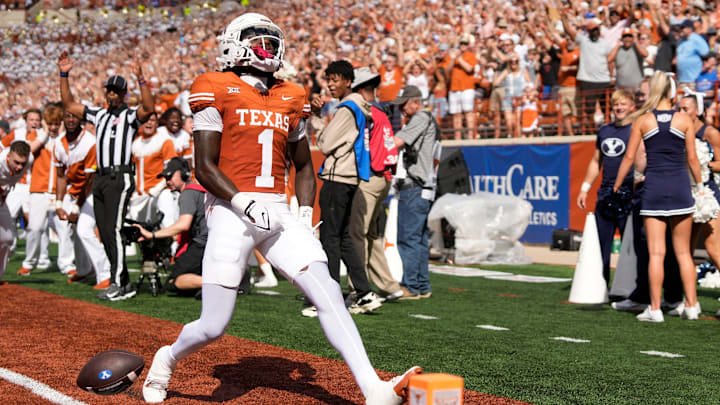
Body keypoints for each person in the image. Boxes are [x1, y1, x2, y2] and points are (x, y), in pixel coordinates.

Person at [142, 13, 420, 405]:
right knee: (213, 325)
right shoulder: (213, 85)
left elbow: (304, 166)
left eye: (273, 42)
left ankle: (373, 388)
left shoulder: (292, 94)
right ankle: (167, 358)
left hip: (279, 209)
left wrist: (304, 216)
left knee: (328, 294)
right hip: (229, 208)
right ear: (235, 43)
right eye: (260, 41)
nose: (268, 49)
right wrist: (242, 200)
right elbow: (203, 166)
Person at [58, 50, 155, 301]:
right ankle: (122, 281)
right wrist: (64, 74)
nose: (112, 94)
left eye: (116, 91)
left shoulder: (129, 115)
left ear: (123, 94)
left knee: (112, 229)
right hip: (100, 178)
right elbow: (69, 105)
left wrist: (142, 80)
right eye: (109, 90)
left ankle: (118, 283)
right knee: (104, 229)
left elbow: (149, 109)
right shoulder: (98, 115)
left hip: (119, 177)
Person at [613, 71, 702, 322]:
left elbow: (629, 158)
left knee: (656, 254)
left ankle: (654, 309)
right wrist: (701, 186)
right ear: (672, 92)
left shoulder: (643, 120)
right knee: (684, 253)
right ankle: (692, 306)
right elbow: (693, 159)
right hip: (680, 188)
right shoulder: (685, 119)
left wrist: (617, 185)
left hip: (653, 190)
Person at [312, 60, 383, 316]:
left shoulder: (347, 107)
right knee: (343, 239)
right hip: (350, 177)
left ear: (348, 81)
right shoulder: (360, 107)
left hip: (337, 176)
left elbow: (326, 144)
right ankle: (364, 293)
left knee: (330, 238)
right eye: (328, 79)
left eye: (335, 80)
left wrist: (316, 119)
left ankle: (329, 297)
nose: (330, 85)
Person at [348, 67, 404, 301]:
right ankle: (389, 286)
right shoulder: (381, 112)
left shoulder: (366, 112)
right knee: (371, 236)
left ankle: (357, 289)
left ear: (359, 89)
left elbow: (362, 147)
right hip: (383, 179)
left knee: (356, 235)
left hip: (370, 177)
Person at [577, 89, 636, 284]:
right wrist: (585, 188)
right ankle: (600, 286)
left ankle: (630, 288)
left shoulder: (637, 129)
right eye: (616, 104)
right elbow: (596, 162)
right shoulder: (604, 130)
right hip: (605, 193)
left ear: (632, 106)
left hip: (629, 194)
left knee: (631, 245)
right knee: (601, 244)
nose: (619, 108)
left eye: (623, 104)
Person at [391, 85, 439, 300]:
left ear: (414, 102)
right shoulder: (428, 118)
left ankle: (411, 285)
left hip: (416, 185)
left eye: (403, 104)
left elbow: (397, 143)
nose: (400, 109)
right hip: (426, 186)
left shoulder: (420, 117)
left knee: (408, 239)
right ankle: (421, 285)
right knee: (418, 239)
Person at [54, 109, 111, 289]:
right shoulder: (58, 142)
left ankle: (106, 273)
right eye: (67, 116)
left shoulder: (90, 142)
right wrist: (59, 203)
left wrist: (77, 209)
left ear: (82, 120)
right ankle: (85, 269)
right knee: (73, 230)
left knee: (85, 230)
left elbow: (90, 180)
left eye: (74, 116)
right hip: (75, 192)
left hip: (94, 190)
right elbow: (61, 176)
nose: (70, 120)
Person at [133, 157, 206, 297]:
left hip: (202, 244)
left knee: (173, 282)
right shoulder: (197, 190)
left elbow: (184, 225)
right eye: (166, 178)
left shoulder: (188, 193)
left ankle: (220, 284)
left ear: (184, 173)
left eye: (170, 176)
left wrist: (152, 235)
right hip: (207, 243)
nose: (167, 181)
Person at [17, 104, 76, 277]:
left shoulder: (66, 140)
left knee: (64, 228)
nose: (53, 127)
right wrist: (43, 134)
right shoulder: (36, 136)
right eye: (50, 123)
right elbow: (29, 152)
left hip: (60, 191)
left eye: (56, 123)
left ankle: (67, 264)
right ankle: (29, 262)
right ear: (44, 123)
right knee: (35, 228)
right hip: (39, 189)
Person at [678, 92, 720, 315]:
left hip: (706, 193)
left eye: (686, 109)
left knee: (714, 248)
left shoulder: (710, 133)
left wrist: (704, 164)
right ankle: (689, 301)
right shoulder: (679, 131)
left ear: (698, 111)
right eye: (680, 108)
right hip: (685, 192)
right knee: (685, 249)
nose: (681, 113)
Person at [0, 140, 47, 284]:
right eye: (16, 162)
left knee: (7, 238)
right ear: (8, 156)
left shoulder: (30, 159)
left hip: (3, 199)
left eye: (22, 163)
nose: (20, 167)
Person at [447, 34, 478, 140]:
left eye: (465, 43)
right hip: (454, 88)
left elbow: (469, 69)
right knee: (456, 114)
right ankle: (458, 137)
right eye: (461, 43)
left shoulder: (470, 56)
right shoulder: (454, 56)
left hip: (467, 88)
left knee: (468, 112)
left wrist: (459, 58)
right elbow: (447, 71)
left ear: (468, 45)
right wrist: (452, 59)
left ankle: (470, 136)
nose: (463, 45)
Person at [677, 19, 710, 85]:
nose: (682, 30)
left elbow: (706, 53)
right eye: (681, 28)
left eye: (683, 28)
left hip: (693, 79)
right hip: (681, 79)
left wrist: (703, 67)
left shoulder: (697, 39)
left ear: (690, 29)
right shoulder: (681, 40)